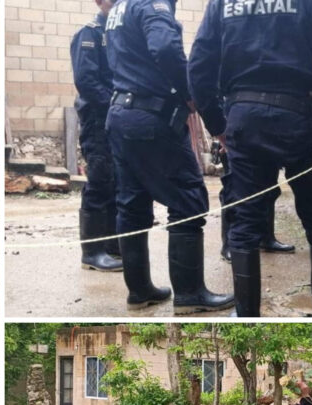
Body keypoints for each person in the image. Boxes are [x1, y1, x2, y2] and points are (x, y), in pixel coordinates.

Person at [188, 0, 312, 317]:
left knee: (245, 221)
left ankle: (246, 316)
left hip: (244, 118)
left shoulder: (222, 3)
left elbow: (199, 64)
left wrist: (217, 125)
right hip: (299, 115)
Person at [103, 0, 234, 314]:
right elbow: (164, 48)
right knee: (188, 199)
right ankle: (189, 295)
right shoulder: (152, 4)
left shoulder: (120, 7)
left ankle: (139, 291)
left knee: (131, 204)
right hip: (150, 118)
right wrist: (189, 92)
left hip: (120, 114)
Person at [70, 0, 123, 272]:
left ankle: (113, 245)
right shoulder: (89, 34)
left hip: (118, 118)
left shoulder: (120, 32)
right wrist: (114, 106)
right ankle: (92, 251)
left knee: (118, 180)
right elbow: (86, 80)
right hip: (97, 117)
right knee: (101, 178)